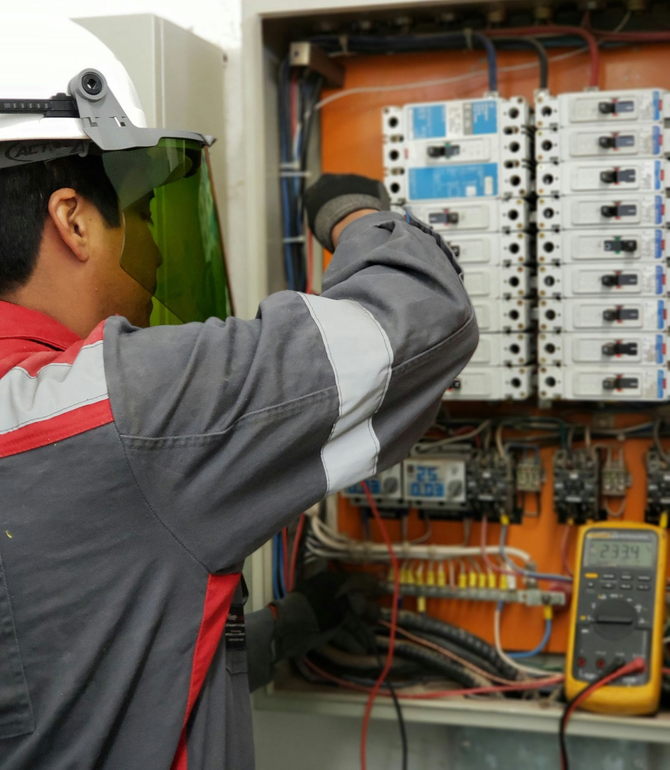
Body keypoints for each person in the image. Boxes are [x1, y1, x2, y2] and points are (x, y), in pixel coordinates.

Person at [0, 15, 478, 770]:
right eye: (140, 213)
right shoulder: (125, 411)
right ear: (73, 221)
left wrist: (285, 631)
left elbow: (67, 687)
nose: (155, 249)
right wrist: (355, 213)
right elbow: (423, 318)